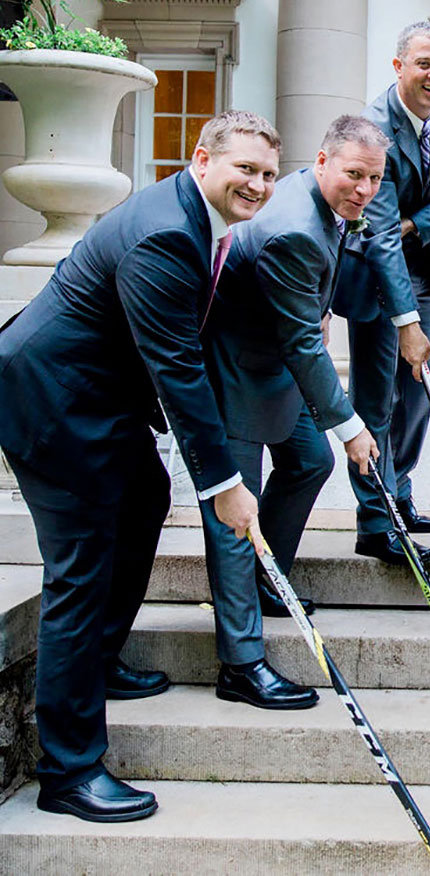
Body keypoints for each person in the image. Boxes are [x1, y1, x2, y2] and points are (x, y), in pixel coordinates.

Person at [0, 110, 278, 822]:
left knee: (146, 497)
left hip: (100, 396)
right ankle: (68, 770)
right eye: (244, 168)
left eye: (269, 174)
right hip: (55, 401)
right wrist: (225, 486)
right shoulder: (165, 234)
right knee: (79, 573)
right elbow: (178, 369)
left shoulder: (200, 221)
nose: (257, 184)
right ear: (202, 159)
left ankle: (99, 662)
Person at [201, 116, 390, 710]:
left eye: (375, 179)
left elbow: (303, 321)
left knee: (309, 461)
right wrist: (352, 425)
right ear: (322, 161)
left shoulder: (321, 206)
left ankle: (269, 577)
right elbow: (305, 345)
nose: (363, 189)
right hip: (237, 370)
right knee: (236, 518)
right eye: (354, 174)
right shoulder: (296, 230)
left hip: (275, 358)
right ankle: (241, 664)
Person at [332, 20, 430, 565]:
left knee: (417, 394)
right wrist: (406, 322)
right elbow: (381, 235)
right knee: (375, 402)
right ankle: (374, 521)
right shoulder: (373, 126)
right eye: (423, 64)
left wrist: (417, 225)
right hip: (375, 274)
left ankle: (400, 492)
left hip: (419, 264)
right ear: (398, 67)